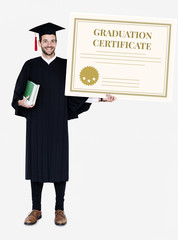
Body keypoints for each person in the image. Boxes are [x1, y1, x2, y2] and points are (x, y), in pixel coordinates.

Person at [11, 22, 116, 226]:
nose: (49, 44)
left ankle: (60, 209)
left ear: (56, 42)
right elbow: (16, 96)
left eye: (52, 40)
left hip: (58, 122)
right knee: (36, 163)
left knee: (59, 163)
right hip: (37, 122)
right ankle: (36, 209)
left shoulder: (66, 66)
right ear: (39, 42)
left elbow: (78, 94)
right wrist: (20, 103)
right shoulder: (30, 65)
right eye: (45, 40)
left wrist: (101, 98)